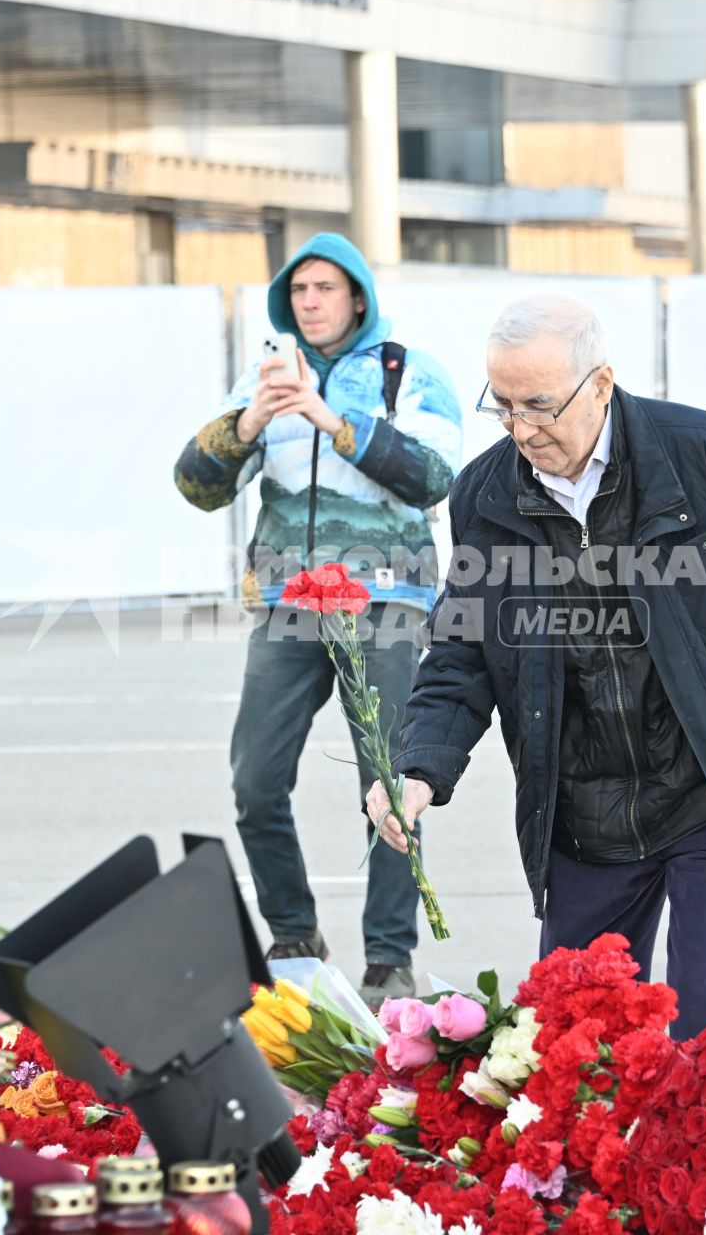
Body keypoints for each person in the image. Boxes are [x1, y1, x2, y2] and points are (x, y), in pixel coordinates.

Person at [371, 294, 706, 1039]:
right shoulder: (485, 494)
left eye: (541, 406)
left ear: (602, 383)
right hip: (582, 805)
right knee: (575, 1042)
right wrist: (418, 767)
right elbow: (462, 650)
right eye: (505, 406)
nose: (523, 430)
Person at [173, 233, 462, 1007]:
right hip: (287, 601)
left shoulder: (408, 371)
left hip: (387, 599)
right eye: (298, 289)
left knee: (391, 788)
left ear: (357, 296)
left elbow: (437, 478)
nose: (309, 301)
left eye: (325, 288)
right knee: (255, 779)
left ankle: (388, 953)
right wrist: (245, 425)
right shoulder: (266, 372)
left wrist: (334, 420)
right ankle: (294, 932)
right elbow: (196, 488)